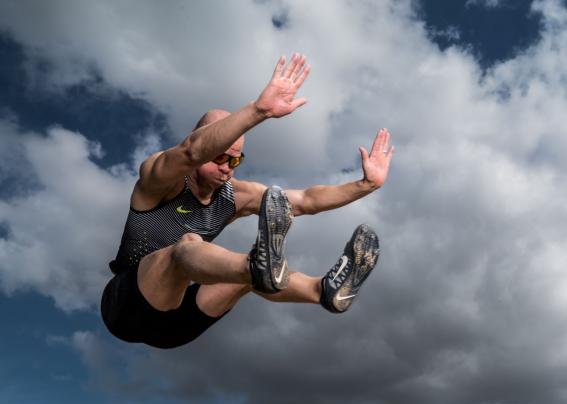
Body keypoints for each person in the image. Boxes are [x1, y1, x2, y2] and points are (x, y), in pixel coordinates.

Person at [100, 53, 395, 349]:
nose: (227, 166)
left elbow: (306, 200)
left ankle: (323, 291)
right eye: (219, 156)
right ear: (204, 144)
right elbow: (191, 152)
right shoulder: (160, 180)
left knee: (249, 276)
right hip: (125, 308)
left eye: (236, 159)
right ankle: (256, 266)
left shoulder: (235, 196)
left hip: (176, 325)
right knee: (187, 247)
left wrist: (366, 185)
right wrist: (259, 110)